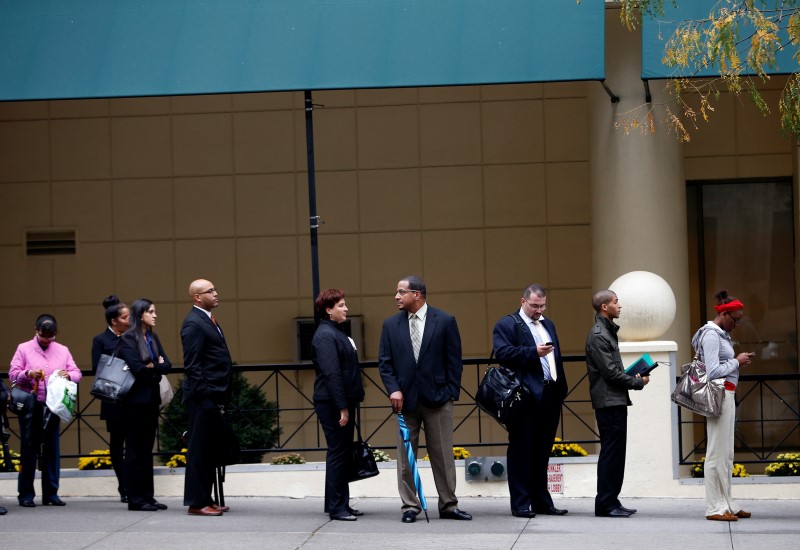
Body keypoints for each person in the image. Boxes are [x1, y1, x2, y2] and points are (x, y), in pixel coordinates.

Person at [378, 275, 471, 524]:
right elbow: (385, 363)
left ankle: (449, 505)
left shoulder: (445, 321)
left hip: (439, 399)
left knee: (442, 455)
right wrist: (393, 389)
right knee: (405, 458)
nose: (396, 296)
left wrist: (451, 392)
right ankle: (410, 506)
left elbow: (454, 360)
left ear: (416, 294)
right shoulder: (390, 325)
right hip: (404, 401)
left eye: (401, 292)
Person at [492, 284, 569, 518]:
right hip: (524, 397)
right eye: (535, 306)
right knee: (521, 450)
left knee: (542, 451)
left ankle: (542, 503)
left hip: (550, 394)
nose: (539, 310)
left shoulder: (548, 324)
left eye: (542, 305)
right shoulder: (507, 324)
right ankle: (521, 504)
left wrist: (560, 389)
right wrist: (532, 352)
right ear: (523, 301)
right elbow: (503, 353)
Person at [585, 290, 649, 518]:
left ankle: (612, 500)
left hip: (615, 400)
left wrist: (634, 378)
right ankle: (605, 504)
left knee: (616, 454)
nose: (619, 305)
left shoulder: (607, 332)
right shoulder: (599, 335)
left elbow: (612, 371)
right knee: (611, 454)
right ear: (604, 307)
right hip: (608, 402)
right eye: (615, 302)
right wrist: (636, 382)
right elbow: (610, 373)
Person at [692, 290, 753, 522]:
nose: (737, 323)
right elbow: (712, 371)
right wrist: (736, 361)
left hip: (726, 394)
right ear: (724, 314)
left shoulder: (720, 334)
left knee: (726, 453)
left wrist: (735, 363)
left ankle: (728, 503)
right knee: (716, 453)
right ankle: (714, 507)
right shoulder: (711, 335)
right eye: (735, 319)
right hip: (719, 395)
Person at [8, 314, 82, 507]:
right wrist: (28, 374)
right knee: (28, 450)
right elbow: (13, 375)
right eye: (43, 336)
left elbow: (77, 373)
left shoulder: (63, 350)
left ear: (56, 334)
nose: (47, 340)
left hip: (53, 406)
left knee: (52, 449)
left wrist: (70, 375)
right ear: (36, 331)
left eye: (51, 337)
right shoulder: (23, 348)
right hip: (32, 405)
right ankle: (25, 494)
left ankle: (51, 494)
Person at [311, 289, 365, 521]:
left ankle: (339, 503)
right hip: (332, 403)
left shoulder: (335, 332)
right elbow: (332, 373)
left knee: (341, 453)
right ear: (328, 310)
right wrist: (342, 407)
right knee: (337, 453)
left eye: (345, 304)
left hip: (340, 401)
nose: (346, 308)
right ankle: (337, 508)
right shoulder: (325, 335)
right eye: (341, 305)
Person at [181, 279, 233, 517]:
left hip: (213, 395)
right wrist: (206, 395)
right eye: (210, 291)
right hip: (203, 397)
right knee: (199, 450)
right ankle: (196, 503)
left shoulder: (207, 319)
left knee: (209, 450)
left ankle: (207, 499)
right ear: (197, 297)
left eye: (215, 289)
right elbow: (193, 365)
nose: (216, 293)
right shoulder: (193, 323)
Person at [117, 299, 171, 512]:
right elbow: (138, 369)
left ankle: (148, 497)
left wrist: (154, 366)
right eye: (151, 312)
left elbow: (167, 364)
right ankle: (136, 499)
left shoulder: (152, 337)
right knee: (134, 451)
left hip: (151, 400)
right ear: (140, 315)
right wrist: (153, 367)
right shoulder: (128, 339)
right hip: (134, 402)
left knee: (147, 450)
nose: (155, 315)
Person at [90, 295, 131, 503]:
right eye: (125, 317)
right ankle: (123, 486)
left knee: (135, 443)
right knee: (117, 443)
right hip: (113, 398)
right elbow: (97, 367)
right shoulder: (101, 340)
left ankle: (134, 485)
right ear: (114, 320)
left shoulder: (133, 337)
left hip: (133, 397)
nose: (129, 320)